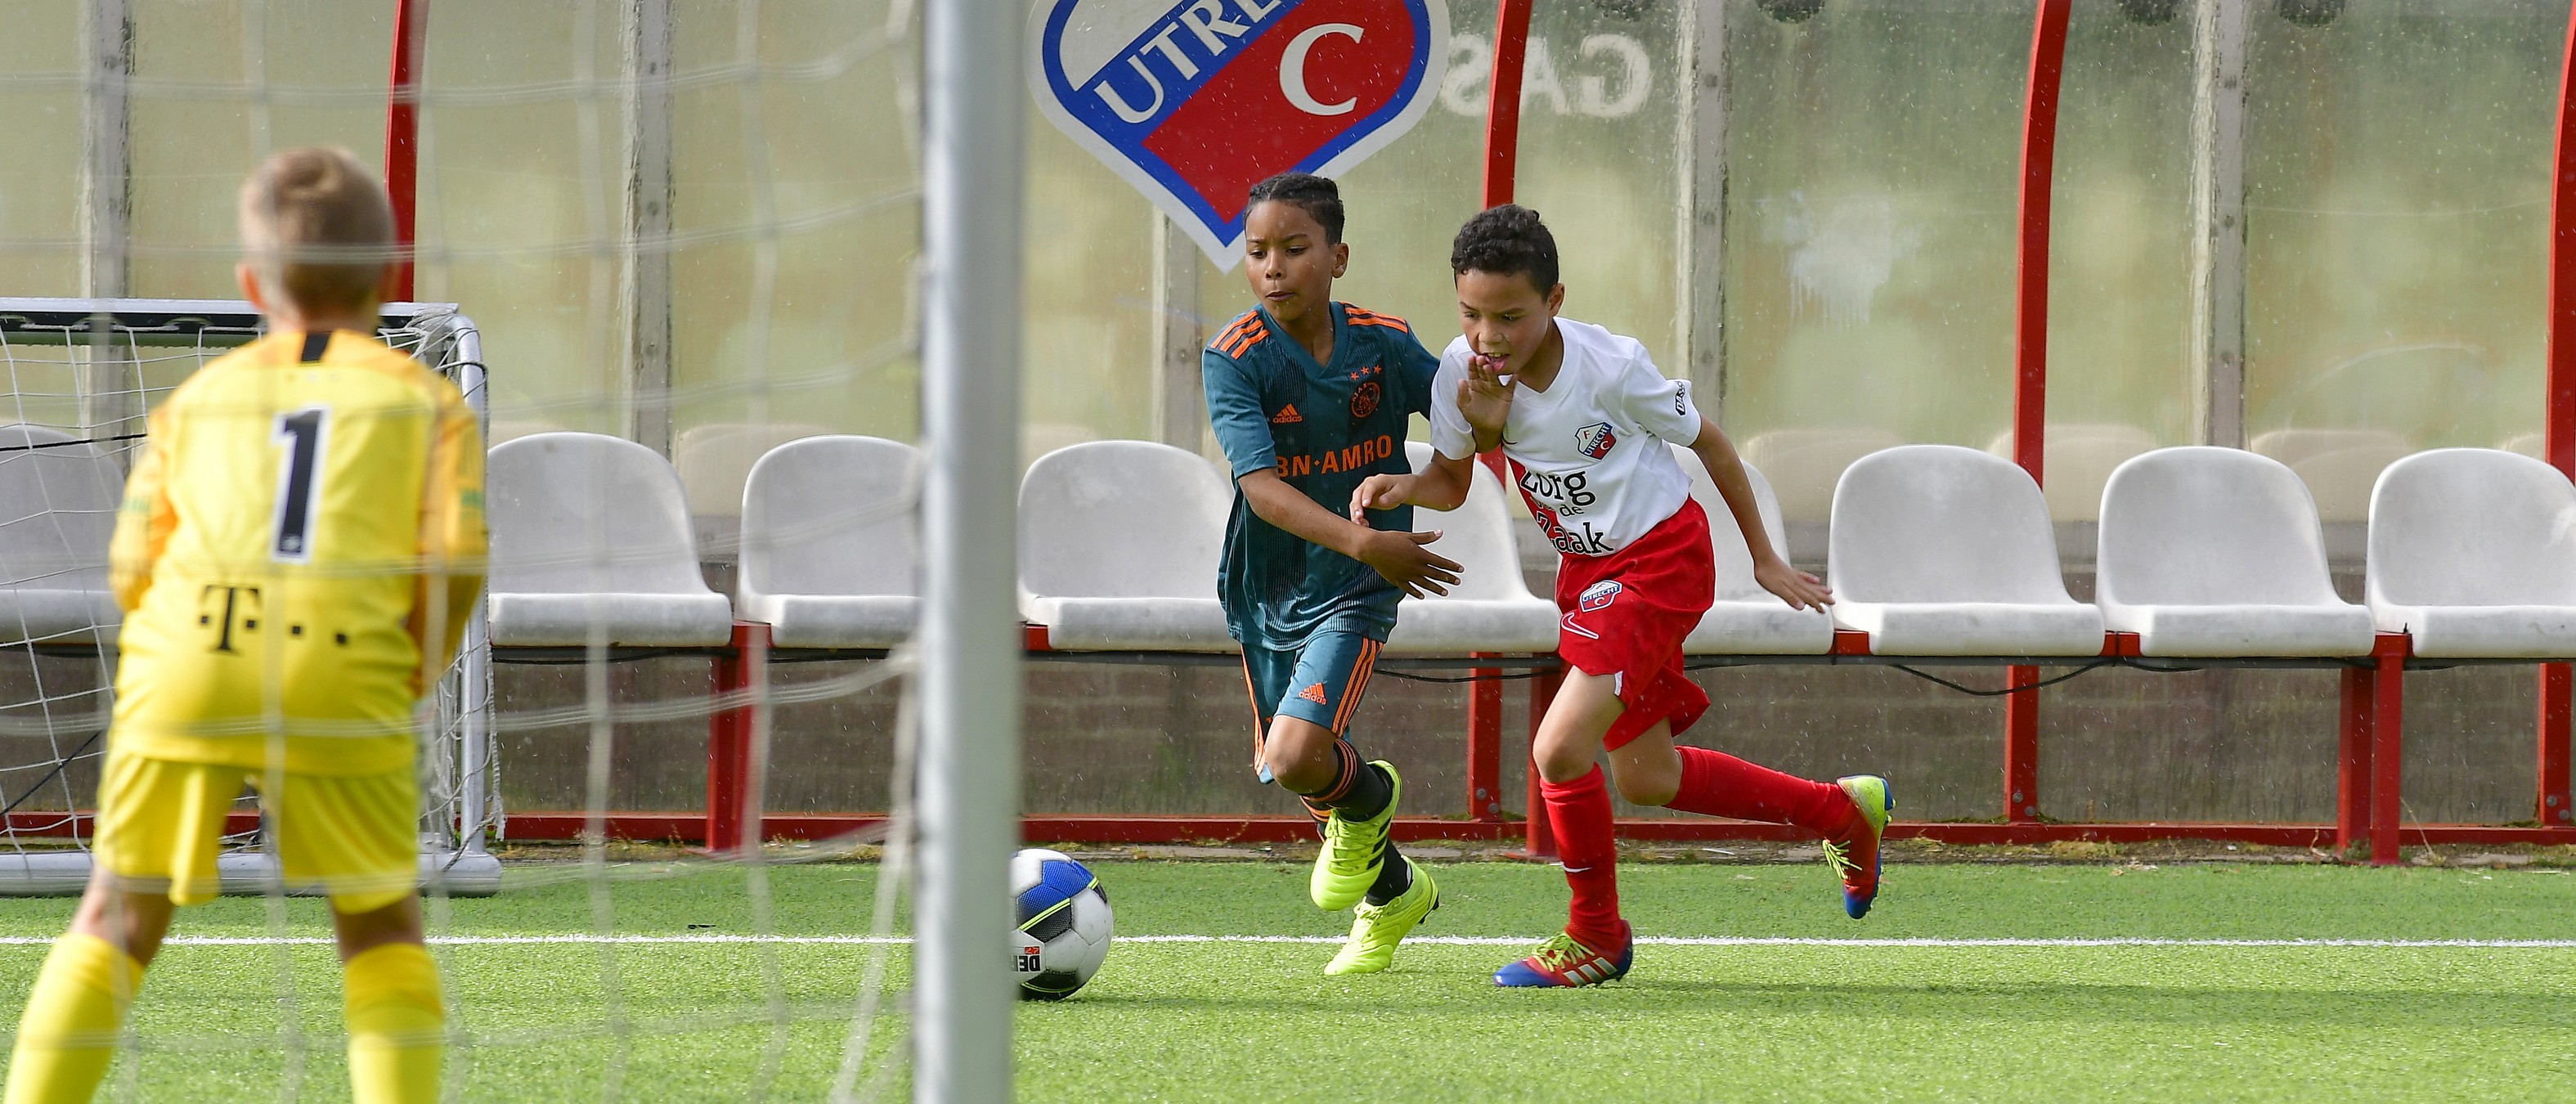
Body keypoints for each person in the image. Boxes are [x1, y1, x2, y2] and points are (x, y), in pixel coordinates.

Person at [5, 147, 486, 1102]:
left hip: (188, 662)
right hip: (343, 666)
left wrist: (173, 657)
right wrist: (412, 672)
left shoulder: (198, 399)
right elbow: (454, 558)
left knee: (114, 918)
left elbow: (135, 563)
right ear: (388, 277)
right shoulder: (427, 403)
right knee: (381, 928)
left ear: (251, 285)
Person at [1353, 204, 1892, 989]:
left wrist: (1765, 557)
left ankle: (1596, 935)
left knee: (1558, 748)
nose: (1488, 336)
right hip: (1589, 576)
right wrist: (1402, 484)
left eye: (1510, 317)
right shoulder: (1460, 372)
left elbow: (1710, 442)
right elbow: (1450, 479)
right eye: (1471, 314)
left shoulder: (1611, 367)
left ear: (1555, 300)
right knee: (1647, 776)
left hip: (1662, 562)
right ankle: (1840, 812)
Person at [1200, 173, 1452, 975]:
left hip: (1357, 586)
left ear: (1338, 257)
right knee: (1297, 764)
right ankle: (1394, 891)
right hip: (1268, 586)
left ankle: (1372, 802)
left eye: (1294, 248)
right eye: (1257, 252)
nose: (1272, 266)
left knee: (1298, 754)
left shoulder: (1384, 343)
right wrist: (1367, 542)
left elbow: (1466, 419)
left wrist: (1434, 475)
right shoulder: (1234, 357)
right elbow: (1262, 491)